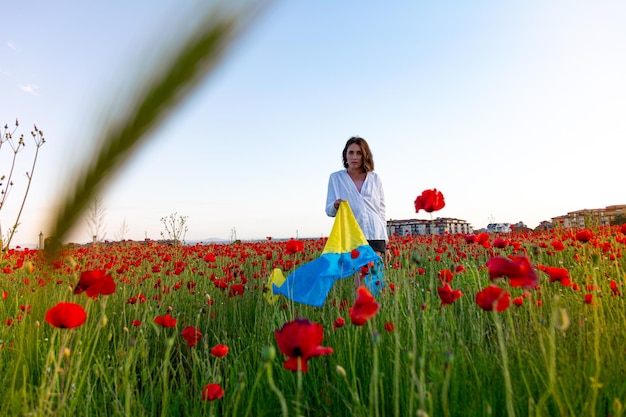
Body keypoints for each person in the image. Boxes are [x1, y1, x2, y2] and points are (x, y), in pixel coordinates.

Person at [325, 136, 389, 267]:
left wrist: (386, 243)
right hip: (353, 234)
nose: (354, 157)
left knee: (374, 277)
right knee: (360, 276)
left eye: (359, 153)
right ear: (345, 155)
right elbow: (329, 210)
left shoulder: (375, 178)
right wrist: (335, 205)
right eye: (351, 153)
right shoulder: (336, 178)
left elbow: (381, 212)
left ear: (365, 156)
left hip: (375, 233)